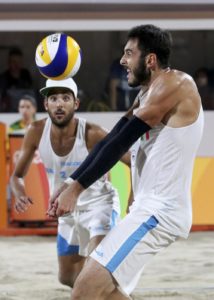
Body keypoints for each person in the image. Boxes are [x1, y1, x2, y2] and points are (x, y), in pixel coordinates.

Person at [50, 24, 204, 300]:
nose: (122, 61)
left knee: (84, 290)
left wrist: (77, 189)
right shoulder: (147, 93)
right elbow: (112, 139)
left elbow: (122, 141)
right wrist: (72, 182)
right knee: (102, 290)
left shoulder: (176, 84)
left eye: (129, 53)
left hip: (160, 213)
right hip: (146, 210)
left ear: (150, 59)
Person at [10, 77, 130, 292]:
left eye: (66, 98)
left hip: (98, 207)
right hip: (67, 212)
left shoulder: (93, 133)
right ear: (45, 104)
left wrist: (134, 197)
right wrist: (19, 193)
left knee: (96, 273)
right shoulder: (36, 131)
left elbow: (133, 162)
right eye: (53, 98)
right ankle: (107, 292)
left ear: (76, 104)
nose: (59, 103)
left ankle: (103, 289)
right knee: (67, 277)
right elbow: (16, 176)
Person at [0, 47, 33, 112]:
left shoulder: (25, 74)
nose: (16, 65)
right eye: (14, 62)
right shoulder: (3, 78)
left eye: (19, 62)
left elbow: (31, 93)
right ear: (9, 63)